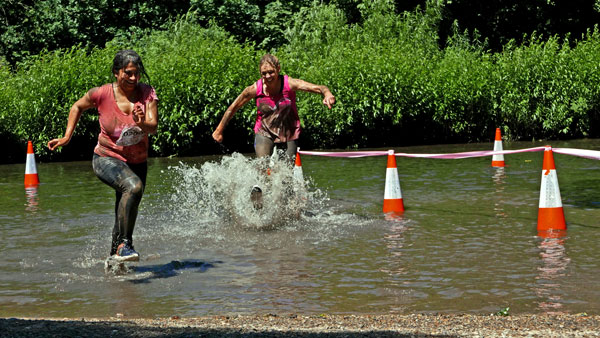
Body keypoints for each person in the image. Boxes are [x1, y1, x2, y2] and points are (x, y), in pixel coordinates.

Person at [48, 49, 158, 262]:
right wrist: (67, 136)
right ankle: (125, 245)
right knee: (133, 187)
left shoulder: (147, 93)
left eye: (137, 73)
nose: (134, 78)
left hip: (137, 161)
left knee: (126, 210)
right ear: (117, 72)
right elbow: (77, 106)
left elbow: (152, 127)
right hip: (106, 158)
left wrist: (141, 122)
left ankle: (115, 263)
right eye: (128, 73)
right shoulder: (101, 94)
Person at [212, 54, 335, 206]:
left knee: (285, 176)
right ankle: (258, 196)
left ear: (278, 69)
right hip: (264, 131)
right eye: (264, 73)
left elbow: (319, 87)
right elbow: (233, 108)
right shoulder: (254, 89)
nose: (268, 76)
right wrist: (219, 129)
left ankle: (285, 207)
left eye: (271, 72)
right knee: (262, 165)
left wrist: (327, 94)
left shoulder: (289, 83)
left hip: (289, 133)